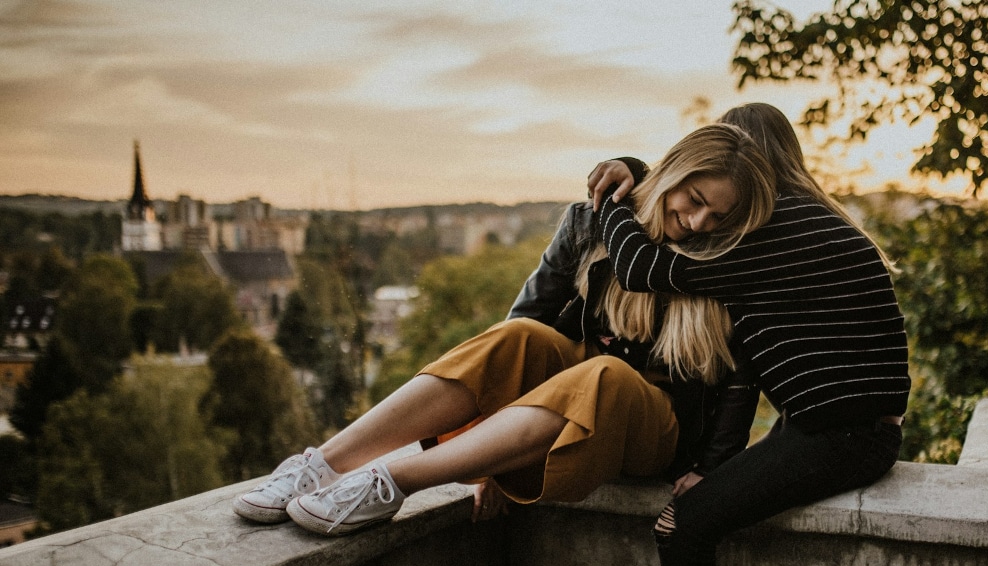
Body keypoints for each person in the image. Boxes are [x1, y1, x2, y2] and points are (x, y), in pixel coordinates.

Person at [232, 123, 776, 540]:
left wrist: (713, 468)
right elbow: (529, 315)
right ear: (673, 175)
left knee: (604, 374)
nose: (701, 223)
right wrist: (489, 456)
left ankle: (393, 482)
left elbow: (739, 375)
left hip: (656, 421)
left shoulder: (725, 259)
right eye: (696, 201)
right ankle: (321, 464)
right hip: (571, 386)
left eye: (717, 217)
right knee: (518, 338)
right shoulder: (595, 220)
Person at [591, 103, 911, 566]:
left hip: (847, 437)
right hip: (825, 427)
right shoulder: (798, 228)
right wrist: (718, 464)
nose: (711, 219)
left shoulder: (770, 234)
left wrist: (615, 192)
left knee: (684, 528)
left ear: (752, 168)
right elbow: (746, 364)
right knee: (696, 507)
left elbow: (643, 265)